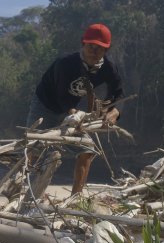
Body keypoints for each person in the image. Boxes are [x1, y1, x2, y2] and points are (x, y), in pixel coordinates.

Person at [26, 23, 124, 194]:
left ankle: (75, 198)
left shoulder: (108, 68)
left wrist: (113, 112)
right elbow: (63, 98)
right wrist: (79, 116)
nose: (93, 52)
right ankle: (25, 192)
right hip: (45, 105)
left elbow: (118, 93)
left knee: (88, 150)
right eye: (90, 46)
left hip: (72, 111)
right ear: (82, 44)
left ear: (106, 51)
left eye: (99, 49)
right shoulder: (65, 64)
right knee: (35, 150)